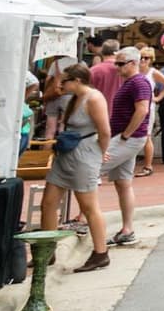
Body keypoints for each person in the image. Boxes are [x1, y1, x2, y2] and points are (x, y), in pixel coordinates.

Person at [40, 63, 112, 272]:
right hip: (67, 154)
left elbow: (104, 130)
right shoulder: (72, 99)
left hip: (84, 155)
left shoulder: (94, 98)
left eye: (65, 81)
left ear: (77, 81)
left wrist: (100, 152)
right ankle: (48, 250)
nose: (61, 85)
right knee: (48, 202)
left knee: (88, 206)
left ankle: (100, 252)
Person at [99, 47, 155, 245]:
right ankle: (127, 228)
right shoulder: (131, 83)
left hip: (128, 137)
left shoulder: (138, 82)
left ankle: (83, 218)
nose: (117, 67)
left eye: (121, 63)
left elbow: (142, 109)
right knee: (123, 182)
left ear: (133, 63)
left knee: (92, 170)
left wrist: (126, 134)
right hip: (126, 136)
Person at [138, 46, 164, 175]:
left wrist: (158, 98)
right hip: (135, 105)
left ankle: (148, 165)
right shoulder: (134, 71)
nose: (143, 60)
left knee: (146, 135)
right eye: (141, 57)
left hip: (147, 106)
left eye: (146, 58)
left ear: (151, 59)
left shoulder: (152, 72)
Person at [88, 39, 122, 107]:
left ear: (102, 52)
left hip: (97, 109)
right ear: (117, 52)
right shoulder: (124, 69)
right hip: (118, 111)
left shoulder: (93, 70)